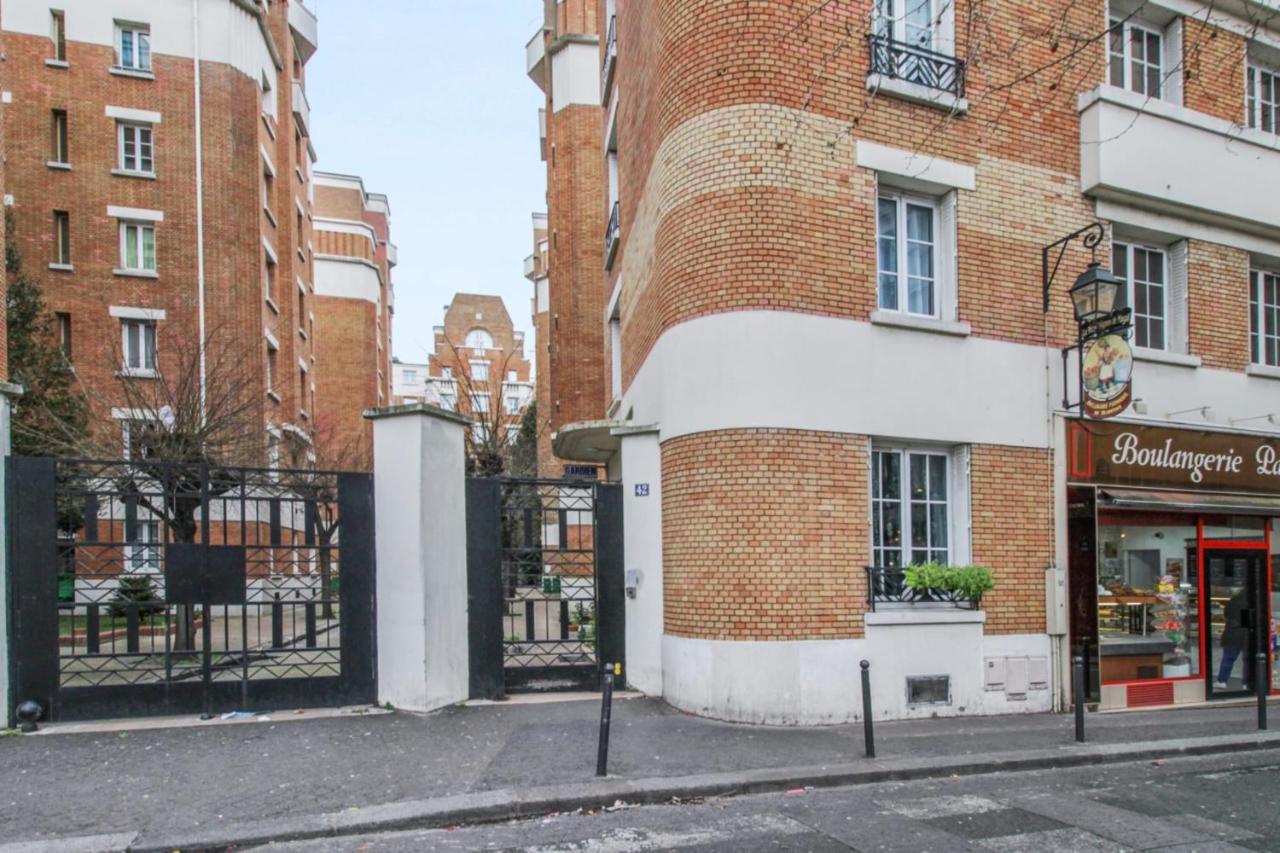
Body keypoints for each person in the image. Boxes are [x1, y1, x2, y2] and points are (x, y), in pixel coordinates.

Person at [1215, 589, 1249, 689]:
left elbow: (1226, 615)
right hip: (1245, 635)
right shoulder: (1250, 603)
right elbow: (1246, 621)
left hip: (1231, 634)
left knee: (1228, 658)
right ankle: (1246, 683)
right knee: (1247, 660)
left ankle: (1222, 681)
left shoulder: (1232, 601)